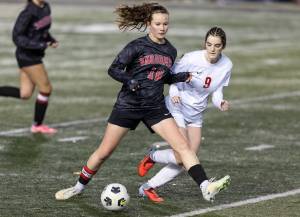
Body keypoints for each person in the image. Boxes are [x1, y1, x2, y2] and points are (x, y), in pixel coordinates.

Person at [55, 3, 229, 202]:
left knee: (183, 148)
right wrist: (129, 80)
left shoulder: (170, 51)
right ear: (149, 24)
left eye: (165, 24)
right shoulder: (137, 46)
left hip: (154, 107)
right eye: (158, 23)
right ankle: (78, 187)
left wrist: (181, 76)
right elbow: (113, 69)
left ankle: (206, 187)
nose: (162, 27)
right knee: (104, 152)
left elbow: (163, 77)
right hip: (128, 105)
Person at [137, 26, 232, 203]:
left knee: (186, 160)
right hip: (177, 106)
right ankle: (153, 157)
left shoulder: (226, 65)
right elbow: (171, 76)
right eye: (209, 44)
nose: (212, 49)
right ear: (205, 43)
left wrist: (220, 103)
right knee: (183, 154)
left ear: (223, 46)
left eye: (217, 45)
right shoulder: (191, 58)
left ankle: (148, 186)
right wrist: (173, 94)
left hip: (196, 113)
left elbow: (216, 92)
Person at [0, 0, 58, 134]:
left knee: (25, 94)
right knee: (46, 88)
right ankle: (37, 125)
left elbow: (42, 30)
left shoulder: (45, 7)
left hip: (33, 55)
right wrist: (40, 45)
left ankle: (37, 125)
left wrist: (50, 39)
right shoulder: (27, 13)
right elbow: (17, 37)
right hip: (27, 56)